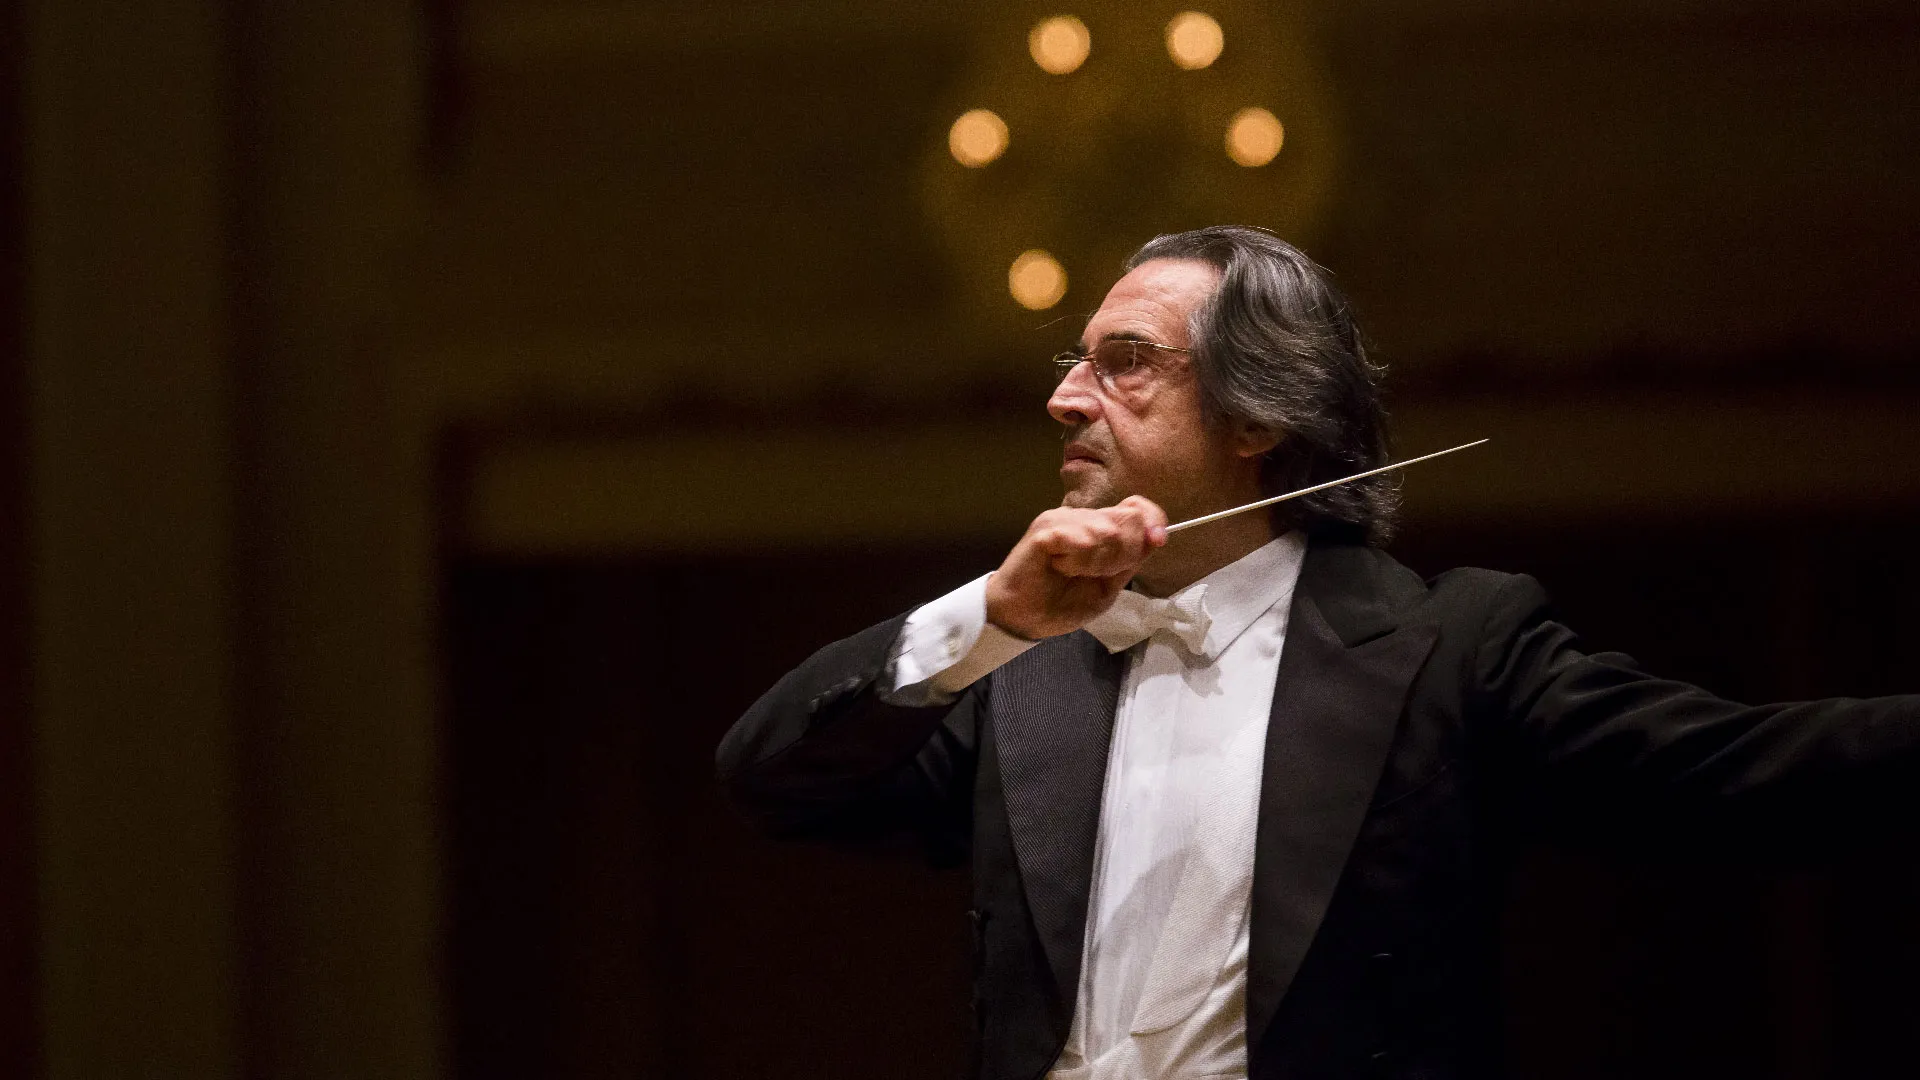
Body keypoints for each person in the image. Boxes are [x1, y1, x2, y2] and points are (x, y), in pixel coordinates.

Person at [713, 226, 1920, 1080]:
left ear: (1257, 417)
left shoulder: (1450, 648)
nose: (1067, 399)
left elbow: (1745, 774)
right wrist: (993, 619)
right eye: (1073, 363)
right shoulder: (1020, 668)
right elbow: (773, 775)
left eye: (1123, 360)